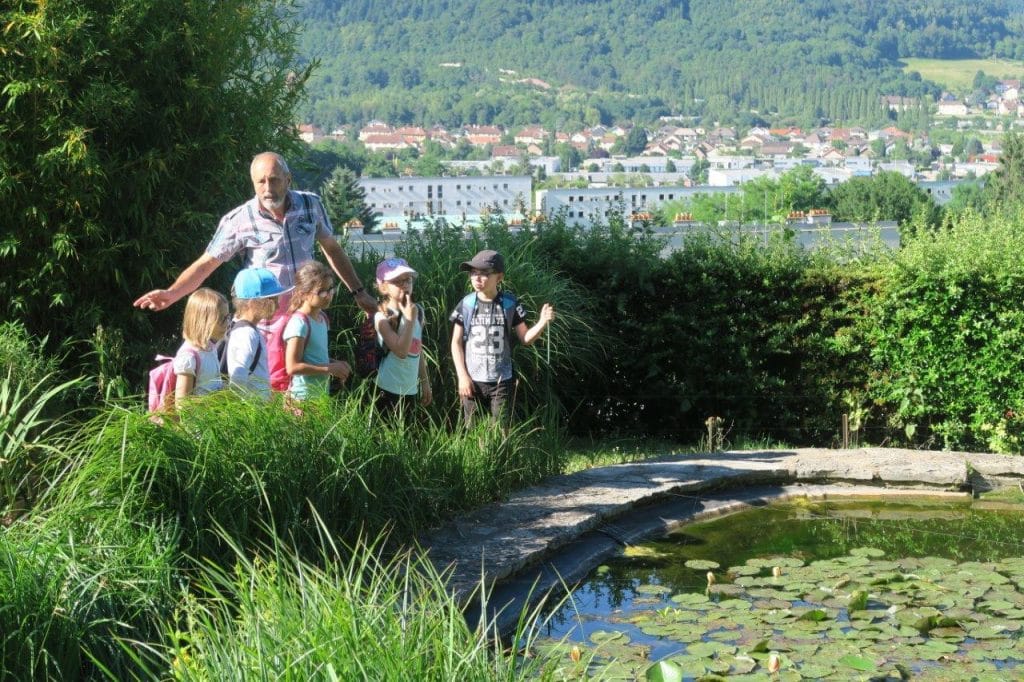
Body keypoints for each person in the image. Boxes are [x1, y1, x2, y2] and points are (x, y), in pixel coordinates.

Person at [133, 151, 377, 316]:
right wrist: (171, 294)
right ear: (253, 183)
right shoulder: (238, 220)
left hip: (307, 309)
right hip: (265, 316)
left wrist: (359, 291)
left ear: (288, 179)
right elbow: (207, 263)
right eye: (261, 182)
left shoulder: (311, 205)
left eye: (274, 180)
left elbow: (332, 249)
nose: (267, 188)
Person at [450, 249, 555, 423]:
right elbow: (456, 343)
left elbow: (526, 338)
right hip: (471, 379)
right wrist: (462, 376)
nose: (477, 278)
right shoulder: (466, 304)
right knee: (471, 428)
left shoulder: (510, 303)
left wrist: (542, 321)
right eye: (473, 273)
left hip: (502, 380)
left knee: (501, 427)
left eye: (484, 273)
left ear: (499, 277)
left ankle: (502, 451)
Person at [284, 261, 351, 400]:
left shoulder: (322, 318)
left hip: (320, 396)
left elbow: (314, 357)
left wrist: (335, 364)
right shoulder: (299, 324)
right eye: (322, 292)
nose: (329, 295)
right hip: (302, 399)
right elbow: (292, 367)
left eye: (331, 289)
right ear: (303, 294)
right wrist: (329, 368)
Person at [372, 258, 432, 414]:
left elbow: (418, 350)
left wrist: (425, 382)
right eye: (397, 281)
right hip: (387, 388)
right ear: (383, 287)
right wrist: (410, 319)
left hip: (410, 388)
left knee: (409, 435)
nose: (405, 285)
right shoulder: (382, 317)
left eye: (408, 280)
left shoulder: (418, 310)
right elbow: (401, 352)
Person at [224, 267, 291, 399]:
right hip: (249, 414)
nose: (278, 306)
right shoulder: (246, 334)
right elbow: (237, 382)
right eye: (273, 300)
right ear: (253, 302)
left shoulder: (251, 330)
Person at [173, 287, 229, 408]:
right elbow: (182, 404)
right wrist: (216, 399)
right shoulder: (189, 356)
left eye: (227, 317)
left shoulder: (210, 347)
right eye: (222, 319)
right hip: (196, 425)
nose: (227, 324)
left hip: (212, 421)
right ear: (203, 321)